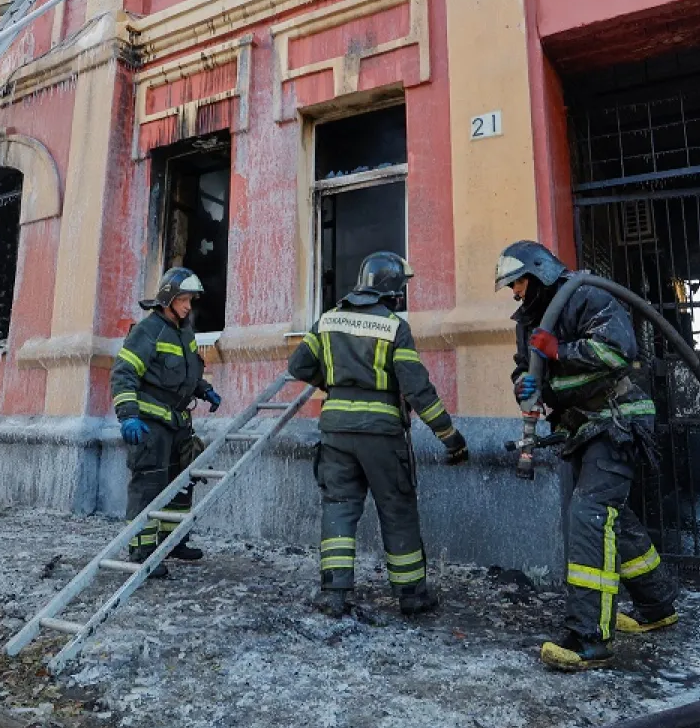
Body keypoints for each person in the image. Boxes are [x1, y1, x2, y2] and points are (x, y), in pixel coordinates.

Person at [496, 240, 679, 671]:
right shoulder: (530, 319)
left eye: (517, 282)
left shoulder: (584, 295)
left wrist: (560, 351)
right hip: (581, 426)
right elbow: (526, 368)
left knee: (590, 513)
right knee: (614, 514)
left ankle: (588, 639)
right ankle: (657, 607)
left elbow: (618, 351)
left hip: (616, 420)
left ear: (539, 272)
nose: (514, 292)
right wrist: (525, 385)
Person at [287, 251, 468, 618]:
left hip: (335, 430)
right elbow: (416, 389)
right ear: (391, 290)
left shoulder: (327, 321)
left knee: (339, 507)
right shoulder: (393, 326)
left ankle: (335, 593)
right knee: (397, 509)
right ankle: (412, 596)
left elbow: (297, 365)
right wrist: (449, 436)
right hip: (382, 434)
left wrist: (336, 387)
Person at [111, 267, 222, 579]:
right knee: (149, 486)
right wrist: (129, 416)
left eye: (191, 300)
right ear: (168, 299)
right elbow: (123, 374)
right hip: (151, 424)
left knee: (181, 484)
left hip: (179, 424)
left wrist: (205, 389)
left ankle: (174, 542)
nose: (189, 306)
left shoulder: (184, 332)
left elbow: (187, 372)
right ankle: (142, 552)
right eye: (184, 299)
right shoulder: (147, 332)